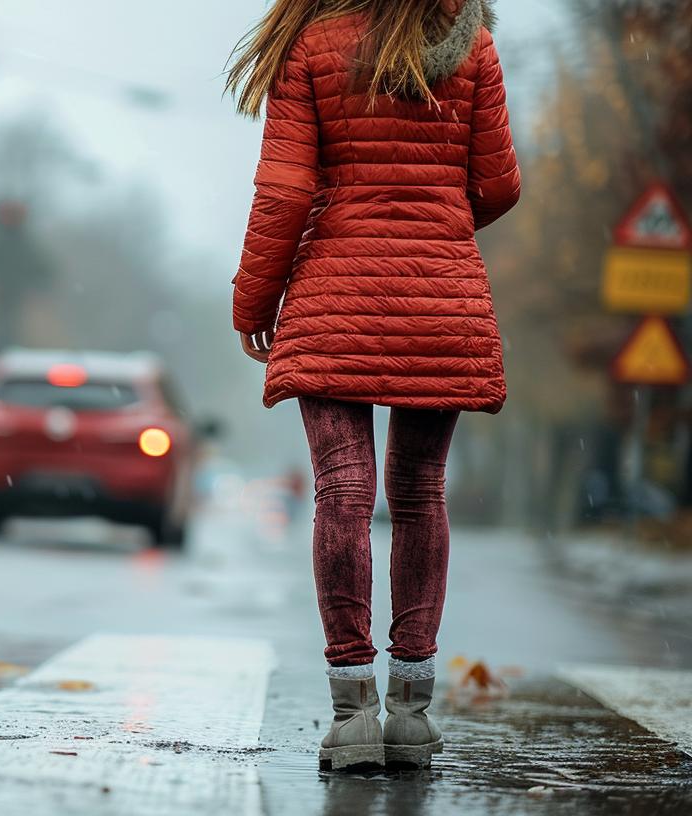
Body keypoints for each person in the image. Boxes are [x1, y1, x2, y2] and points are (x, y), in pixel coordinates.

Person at [226, 0, 520, 772]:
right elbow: (498, 184)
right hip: (440, 298)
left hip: (333, 298)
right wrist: (433, 226)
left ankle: (352, 714)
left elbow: (285, 193)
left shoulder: (313, 46)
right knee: (420, 491)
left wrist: (255, 302)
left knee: (343, 490)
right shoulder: (474, 49)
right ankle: (413, 716)